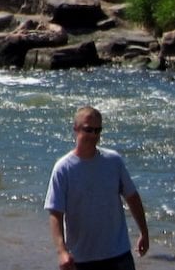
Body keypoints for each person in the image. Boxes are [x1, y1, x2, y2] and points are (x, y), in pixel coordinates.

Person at [46, 106, 150, 270]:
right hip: (81, 259)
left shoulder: (113, 161)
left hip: (118, 255)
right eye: (88, 130)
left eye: (98, 130)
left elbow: (132, 197)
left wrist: (144, 232)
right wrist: (62, 251)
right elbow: (55, 213)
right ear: (76, 129)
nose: (94, 135)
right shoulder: (63, 168)